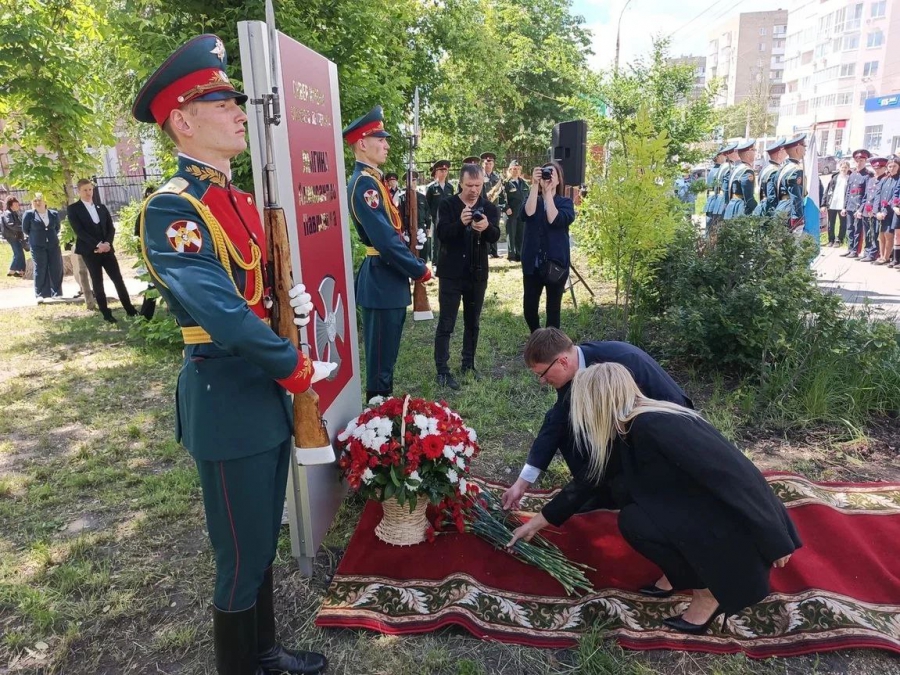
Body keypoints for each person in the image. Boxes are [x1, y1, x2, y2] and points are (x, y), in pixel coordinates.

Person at [132, 34, 333, 675]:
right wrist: (293, 365)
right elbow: (220, 313)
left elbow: (253, 294)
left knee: (261, 539)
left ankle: (263, 653)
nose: (239, 113)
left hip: (262, 392)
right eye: (222, 104)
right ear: (183, 122)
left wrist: (289, 302)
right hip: (227, 397)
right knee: (239, 553)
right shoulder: (174, 208)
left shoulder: (238, 201)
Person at [507, 363, 801, 635]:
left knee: (636, 522)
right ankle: (678, 574)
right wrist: (535, 523)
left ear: (597, 402)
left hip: (729, 524)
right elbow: (587, 482)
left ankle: (708, 595)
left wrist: (775, 537)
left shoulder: (655, 425)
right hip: (697, 507)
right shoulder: (624, 426)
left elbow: (733, 474)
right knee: (633, 505)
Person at [501, 328, 692, 511]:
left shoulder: (622, 361)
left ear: (563, 362)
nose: (542, 381)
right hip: (623, 431)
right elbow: (557, 421)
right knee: (563, 424)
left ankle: (622, 494)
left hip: (663, 437)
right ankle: (597, 492)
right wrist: (522, 482)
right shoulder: (571, 368)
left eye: (542, 374)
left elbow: (672, 411)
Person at [345, 105, 432, 402]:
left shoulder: (373, 180)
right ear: (362, 144)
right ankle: (376, 419)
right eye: (380, 140)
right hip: (381, 279)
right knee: (380, 366)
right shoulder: (364, 185)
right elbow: (385, 241)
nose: (387, 145)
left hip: (387, 279)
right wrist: (418, 269)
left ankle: (382, 414)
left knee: (387, 360)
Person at [433, 163, 500, 389]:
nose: (474, 190)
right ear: (460, 183)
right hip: (451, 274)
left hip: (477, 273)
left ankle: (468, 364)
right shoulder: (447, 205)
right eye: (469, 185)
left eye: (478, 185)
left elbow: (495, 236)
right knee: (446, 322)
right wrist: (460, 223)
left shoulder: (488, 207)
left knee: (473, 321)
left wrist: (486, 227)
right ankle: (442, 370)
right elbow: (442, 234)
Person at [68, 179, 136, 322]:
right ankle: (106, 313)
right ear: (79, 191)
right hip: (90, 251)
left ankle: (130, 309)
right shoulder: (74, 209)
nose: (88, 193)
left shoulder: (101, 207)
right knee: (97, 281)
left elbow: (111, 228)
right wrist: (98, 245)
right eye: (85, 190)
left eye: (90, 189)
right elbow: (79, 231)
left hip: (107, 250)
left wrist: (107, 243)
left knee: (118, 279)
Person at [521, 161, 574, 333]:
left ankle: (551, 343)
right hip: (533, 264)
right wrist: (535, 186)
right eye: (545, 173)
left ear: (559, 180)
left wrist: (549, 193)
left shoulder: (565, 203)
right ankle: (536, 335)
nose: (548, 177)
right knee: (529, 308)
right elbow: (528, 213)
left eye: (552, 174)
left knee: (553, 310)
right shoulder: (532, 200)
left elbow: (554, 218)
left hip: (555, 264)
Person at [21, 192, 63, 302]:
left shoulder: (53, 214)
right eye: (35, 201)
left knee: (56, 267)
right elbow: (25, 229)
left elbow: (57, 228)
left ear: (45, 201)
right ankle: (40, 294)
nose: (37, 202)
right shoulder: (29, 214)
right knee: (40, 268)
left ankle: (57, 292)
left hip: (53, 245)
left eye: (39, 200)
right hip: (37, 245)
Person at [842, 149, 873, 258]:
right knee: (849, 228)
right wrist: (844, 207)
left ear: (865, 161)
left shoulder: (867, 176)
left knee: (857, 229)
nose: (859, 163)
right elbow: (848, 192)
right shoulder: (852, 175)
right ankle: (850, 248)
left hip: (859, 207)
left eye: (861, 161)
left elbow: (867, 195)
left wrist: (860, 209)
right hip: (850, 206)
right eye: (857, 161)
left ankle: (855, 250)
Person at [774, 134, 806, 231]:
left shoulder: (782, 168)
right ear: (797, 149)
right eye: (804, 146)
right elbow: (796, 197)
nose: (805, 149)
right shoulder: (796, 170)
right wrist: (797, 219)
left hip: (780, 208)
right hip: (790, 211)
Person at [425, 159, 454, 270]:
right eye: (441, 171)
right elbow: (427, 206)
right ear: (436, 172)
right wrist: (429, 220)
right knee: (436, 242)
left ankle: (447, 261)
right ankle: (435, 263)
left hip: (448, 219)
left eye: (445, 171)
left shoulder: (450, 187)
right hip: (435, 219)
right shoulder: (431, 188)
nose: (444, 173)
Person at [397, 171, 430, 262]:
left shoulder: (422, 197)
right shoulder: (402, 198)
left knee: (423, 253)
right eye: (410, 181)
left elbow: (427, 212)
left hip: (421, 227)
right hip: (407, 229)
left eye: (414, 180)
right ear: (406, 183)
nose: (413, 183)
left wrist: (428, 227)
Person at [861, 157, 888, 263]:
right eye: (875, 168)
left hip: (875, 211)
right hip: (866, 210)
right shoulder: (871, 179)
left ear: (884, 168)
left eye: (880, 168)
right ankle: (867, 252)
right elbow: (866, 196)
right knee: (867, 233)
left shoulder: (885, 180)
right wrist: (861, 209)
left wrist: (875, 211)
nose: (877, 170)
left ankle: (873, 253)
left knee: (874, 233)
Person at [722, 139, 757, 219]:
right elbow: (749, 198)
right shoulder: (747, 171)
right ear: (748, 153)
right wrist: (757, 209)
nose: (755, 153)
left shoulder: (737, 168)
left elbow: (726, 190)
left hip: (732, 205)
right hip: (740, 208)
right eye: (754, 150)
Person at [752, 138, 786, 217]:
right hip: (769, 210)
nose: (786, 152)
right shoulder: (774, 171)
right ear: (779, 154)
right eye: (784, 150)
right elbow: (772, 197)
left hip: (763, 206)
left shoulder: (765, 169)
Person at [480, 152, 505, 258]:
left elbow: (501, 192)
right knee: (484, 227)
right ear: (483, 164)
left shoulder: (497, 177)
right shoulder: (480, 176)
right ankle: (486, 251)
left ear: (493, 164)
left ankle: (494, 251)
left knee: (495, 227)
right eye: (486, 163)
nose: (488, 165)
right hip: (484, 206)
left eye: (490, 163)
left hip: (494, 206)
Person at [822, 159, 851, 248]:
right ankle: (831, 239)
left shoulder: (849, 179)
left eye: (845, 167)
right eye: (842, 167)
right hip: (832, 203)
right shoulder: (834, 178)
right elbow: (827, 191)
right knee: (831, 223)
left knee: (843, 223)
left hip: (843, 205)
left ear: (848, 168)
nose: (843, 169)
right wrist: (824, 204)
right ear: (839, 168)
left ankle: (839, 240)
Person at [503, 160, 528, 262]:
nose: (516, 171)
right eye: (514, 169)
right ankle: (511, 256)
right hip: (511, 212)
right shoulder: (506, 183)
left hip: (522, 213)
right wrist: (506, 207)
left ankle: (519, 255)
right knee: (511, 235)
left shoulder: (524, 183)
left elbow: (528, 197)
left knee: (521, 234)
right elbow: (501, 198)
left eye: (518, 169)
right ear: (510, 170)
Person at [881, 156, 900, 267]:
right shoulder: (889, 179)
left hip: (895, 210)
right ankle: (895, 259)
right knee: (896, 235)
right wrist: (894, 206)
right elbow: (895, 194)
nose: (892, 168)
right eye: (890, 166)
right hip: (896, 210)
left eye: (895, 166)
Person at [1, 196, 26, 277]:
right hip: (12, 236)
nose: (18, 206)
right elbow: (10, 224)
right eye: (16, 204)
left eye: (18, 204)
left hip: (15, 235)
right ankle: (12, 269)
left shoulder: (13, 213)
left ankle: (21, 271)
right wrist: (23, 228)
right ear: (10, 205)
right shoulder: (8, 213)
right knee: (18, 252)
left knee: (19, 252)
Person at [704, 148, 724, 233]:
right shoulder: (719, 170)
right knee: (715, 228)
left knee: (711, 228)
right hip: (716, 202)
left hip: (711, 201)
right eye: (724, 154)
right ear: (718, 157)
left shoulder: (713, 170)